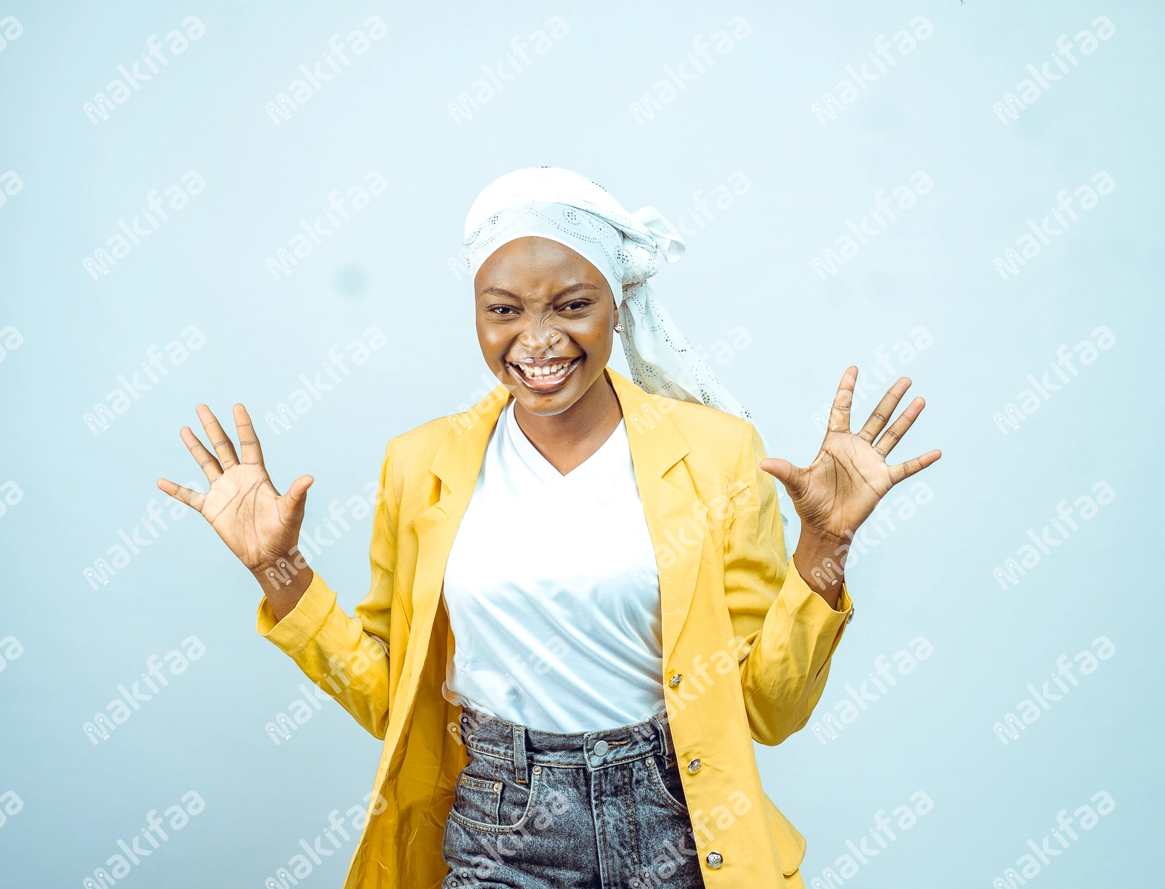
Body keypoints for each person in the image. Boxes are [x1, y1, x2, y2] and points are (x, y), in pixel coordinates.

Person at [158, 167, 940, 888]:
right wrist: (278, 570)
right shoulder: (419, 465)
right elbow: (392, 701)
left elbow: (768, 710)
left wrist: (825, 547)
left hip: (678, 821)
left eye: (571, 305)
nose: (536, 341)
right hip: (501, 824)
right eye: (504, 309)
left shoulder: (716, 454)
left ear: (615, 305)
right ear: (476, 310)